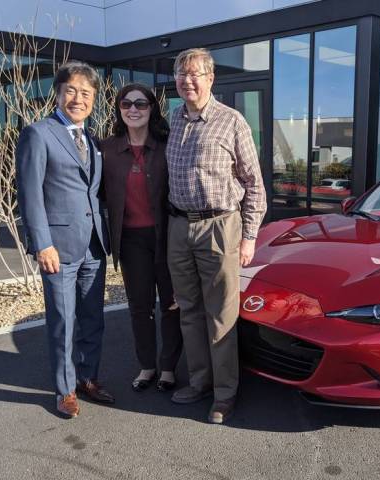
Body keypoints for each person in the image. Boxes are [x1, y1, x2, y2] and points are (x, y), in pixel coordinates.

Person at [165, 48, 266, 424]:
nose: (187, 80)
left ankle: (225, 395)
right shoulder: (173, 119)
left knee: (222, 314)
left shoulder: (232, 121)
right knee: (189, 311)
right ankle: (199, 382)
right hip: (179, 225)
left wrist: (249, 236)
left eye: (194, 74)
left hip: (220, 226)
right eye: (181, 74)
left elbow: (254, 184)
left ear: (210, 79)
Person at [16, 60, 113, 418]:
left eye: (86, 93)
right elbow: (29, 194)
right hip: (57, 247)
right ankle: (65, 390)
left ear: (93, 100)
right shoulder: (38, 133)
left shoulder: (92, 138)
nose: (78, 98)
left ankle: (89, 377)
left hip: (93, 246)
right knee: (63, 320)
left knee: (93, 318)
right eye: (71, 90)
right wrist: (41, 243)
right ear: (58, 93)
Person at [100, 83, 183, 392]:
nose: (133, 109)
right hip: (132, 241)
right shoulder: (107, 149)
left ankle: (169, 368)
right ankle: (147, 367)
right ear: (119, 110)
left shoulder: (167, 144)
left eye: (141, 104)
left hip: (167, 237)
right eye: (126, 104)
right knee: (140, 307)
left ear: (152, 109)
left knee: (172, 305)